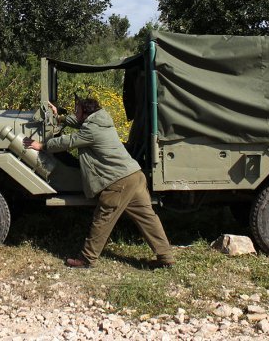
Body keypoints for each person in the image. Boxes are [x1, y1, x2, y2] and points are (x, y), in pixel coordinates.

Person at [23, 97, 174, 269]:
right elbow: (78, 121)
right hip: (134, 175)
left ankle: (87, 259)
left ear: (86, 112)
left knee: (103, 219)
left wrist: (42, 145)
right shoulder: (99, 120)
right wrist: (59, 117)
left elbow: (69, 141)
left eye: (77, 110)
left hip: (119, 181)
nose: (75, 113)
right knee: (148, 218)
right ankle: (166, 257)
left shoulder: (91, 131)